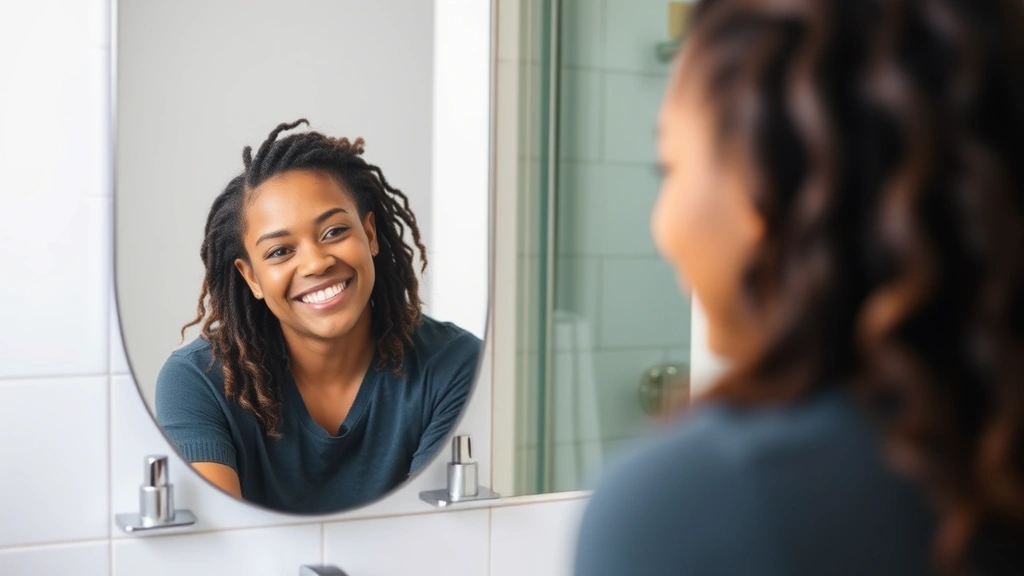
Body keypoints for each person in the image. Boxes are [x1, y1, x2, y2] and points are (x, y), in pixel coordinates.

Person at [575, 0, 1024, 574]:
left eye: (670, 167)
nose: (660, 226)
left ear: (757, 183)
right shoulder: (989, 445)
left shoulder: (690, 506)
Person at [155, 120, 480, 514]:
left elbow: (435, 535)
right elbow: (221, 542)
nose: (316, 263)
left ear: (370, 234)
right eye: (280, 252)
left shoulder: (454, 365)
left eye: (334, 231)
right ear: (251, 277)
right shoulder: (196, 383)